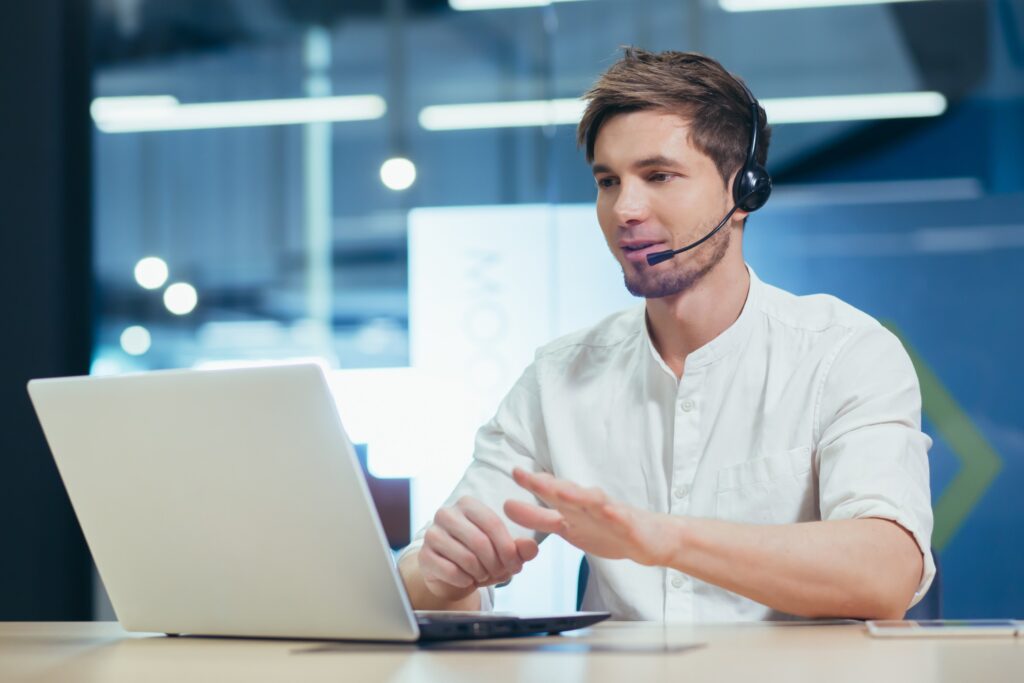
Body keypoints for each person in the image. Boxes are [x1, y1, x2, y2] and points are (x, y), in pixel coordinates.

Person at [397, 47, 934, 621]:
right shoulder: (559, 377)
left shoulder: (844, 352)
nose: (625, 208)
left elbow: (885, 572)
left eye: (658, 176)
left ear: (743, 191)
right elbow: (422, 581)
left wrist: (665, 538)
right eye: (608, 181)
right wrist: (441, 573)